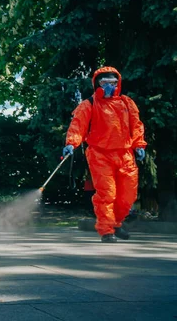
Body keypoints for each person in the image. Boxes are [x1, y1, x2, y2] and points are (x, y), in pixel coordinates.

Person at [64, 67, 146, 243]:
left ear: (118, 84)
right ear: (97, 84)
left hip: (125, 154)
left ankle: (115, 223)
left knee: (128, 195)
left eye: (113, 83)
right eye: (105, 83)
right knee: (107, 193)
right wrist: (71, 143)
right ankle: (106, 230)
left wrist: (139, 144)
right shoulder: (89, 104)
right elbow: (78, 125)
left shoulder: (126, 103)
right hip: (99, 154)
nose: (109, 86)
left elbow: (136, 125)